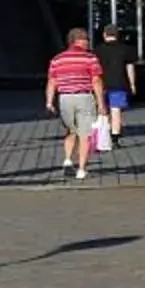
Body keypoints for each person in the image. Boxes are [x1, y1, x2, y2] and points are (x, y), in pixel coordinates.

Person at [45, 28, 105, 178]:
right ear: (78, 41)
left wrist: (49, 102)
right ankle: (82, 169)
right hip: (84, 97)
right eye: (86, 40)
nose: (88, 43)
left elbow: (52, 81)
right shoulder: (90, 58)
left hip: (64, 98)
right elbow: (96, 80)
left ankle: (67, 160)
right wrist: (101, 103)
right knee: (85, 135)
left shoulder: (57, 59)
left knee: (70, 131)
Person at [95, 25, 136, 143]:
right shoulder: (125, 49)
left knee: (103, 108)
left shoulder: (97, 50)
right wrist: (132, 84)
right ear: (117, 35)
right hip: (119, 83)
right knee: (116, 109)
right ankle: (115, 136)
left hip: (101, 83)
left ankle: (104, 133)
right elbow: (130, 68)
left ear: (104, 35)